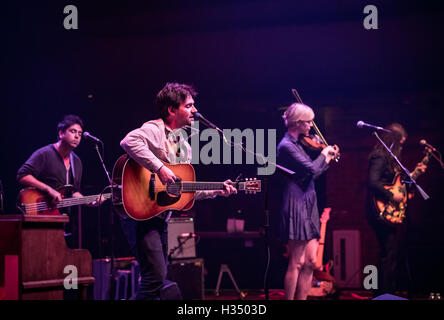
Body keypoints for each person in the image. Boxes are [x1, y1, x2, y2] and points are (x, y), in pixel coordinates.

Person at [119, 82, 237, 300]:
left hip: (160, 216)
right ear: (172, 110)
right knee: (155, 277)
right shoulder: (154, 129)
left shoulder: (185, 145)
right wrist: (160, 168)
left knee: (156, 279)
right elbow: (129, 141)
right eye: (189, 105)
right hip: (139, 212)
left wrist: (216, 190)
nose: (195, 110)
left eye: (194, 106)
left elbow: (181, 189)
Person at [277, 103, 339, 300]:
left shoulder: (300, 143)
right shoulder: (286, 146)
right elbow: (311, 169)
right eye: (308, 122)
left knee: (311, 261)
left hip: (309, 200)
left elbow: (314, 173)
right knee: (296, 261)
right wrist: (324, 154)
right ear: (297, 123)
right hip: (296, 201)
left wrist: (327, 158)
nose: (311, 126)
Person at [17, 115, 103, 245]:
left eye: (79, 133)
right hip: (39, 214)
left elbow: (74, 192)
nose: (77, 136)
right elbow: (22, 175)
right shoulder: (45, 154)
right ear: (61, 133)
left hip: (59, 220)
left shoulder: (77, 162)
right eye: (73, 131)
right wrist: (49, 190)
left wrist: (88, 201)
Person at [366, 123, 426, 297]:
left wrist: (415, 174)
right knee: (389, 251)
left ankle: (382, 291)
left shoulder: (392, 160)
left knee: (390, 251)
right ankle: (384, 293)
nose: (401, 147)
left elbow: (398, 186)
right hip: (379, 210)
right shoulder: (379, 156)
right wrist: (391, 196)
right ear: (394, 140)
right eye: (401, 142)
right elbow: (372, 182)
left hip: (388, 211)